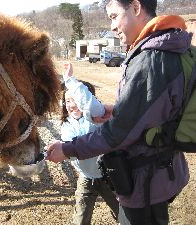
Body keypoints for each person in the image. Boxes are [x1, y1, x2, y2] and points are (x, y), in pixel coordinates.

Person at [46, 0, 192, 224]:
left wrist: (67, 149)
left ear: (135, 7)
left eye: (114, 16)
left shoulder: (151, 60)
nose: (112, 26)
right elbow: (159, 107)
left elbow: (116, 135)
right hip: (163, 171)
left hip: (146, 183)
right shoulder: (167, 48)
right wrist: (117, 110)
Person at [61, 63, 119, 225]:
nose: (71, 105)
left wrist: (70, 80)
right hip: (86, 178)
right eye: (67, 101)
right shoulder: (67, 124)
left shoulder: (96, 119)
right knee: (80, 217)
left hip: (108, 178)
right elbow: (70, 144)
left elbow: (89, 105)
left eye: (74, 100)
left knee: (122, 212)